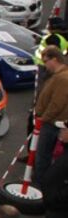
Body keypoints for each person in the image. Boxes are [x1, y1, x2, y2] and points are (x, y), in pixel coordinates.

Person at [35, 46, 68, 186]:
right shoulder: (59, 76)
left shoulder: (62, 78)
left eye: (45, 60)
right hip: (53, 121)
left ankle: (40, 184)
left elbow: (57, 103)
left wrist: (44, 118)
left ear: (54, 59)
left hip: (52, 123)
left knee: (43, 154)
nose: (44, 64)